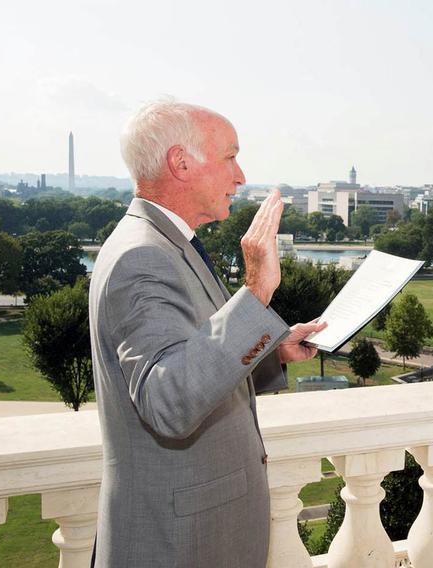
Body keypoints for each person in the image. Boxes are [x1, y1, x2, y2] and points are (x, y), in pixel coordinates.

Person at [88, 99, 326, 567]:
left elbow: (193, 359)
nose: (240, 176)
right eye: (230, 157)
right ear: (181, 162)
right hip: (176, 544)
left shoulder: (171, 244)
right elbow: (169, 402)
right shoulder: (143, 257)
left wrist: (271, 355)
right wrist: (256, 291)